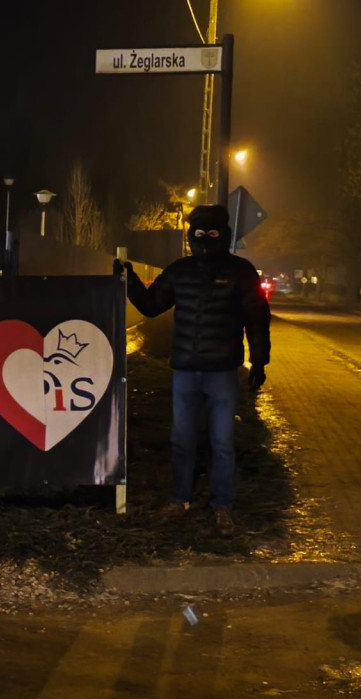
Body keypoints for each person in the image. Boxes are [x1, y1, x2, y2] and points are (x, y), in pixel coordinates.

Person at [114, 204, 270, 536]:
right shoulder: (179, 271)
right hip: (185, 370)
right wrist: (129, 281)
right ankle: (178, 500)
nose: (205, 239)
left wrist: (259, 360)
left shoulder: (242, 272)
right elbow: (152, 305)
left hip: (223, 372)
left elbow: (257, 318)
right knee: (182, 439)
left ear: (223, 235)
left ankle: (222, 506)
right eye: (199, 233)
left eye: (212, 233)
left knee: (222, 442)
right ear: (191, 236)